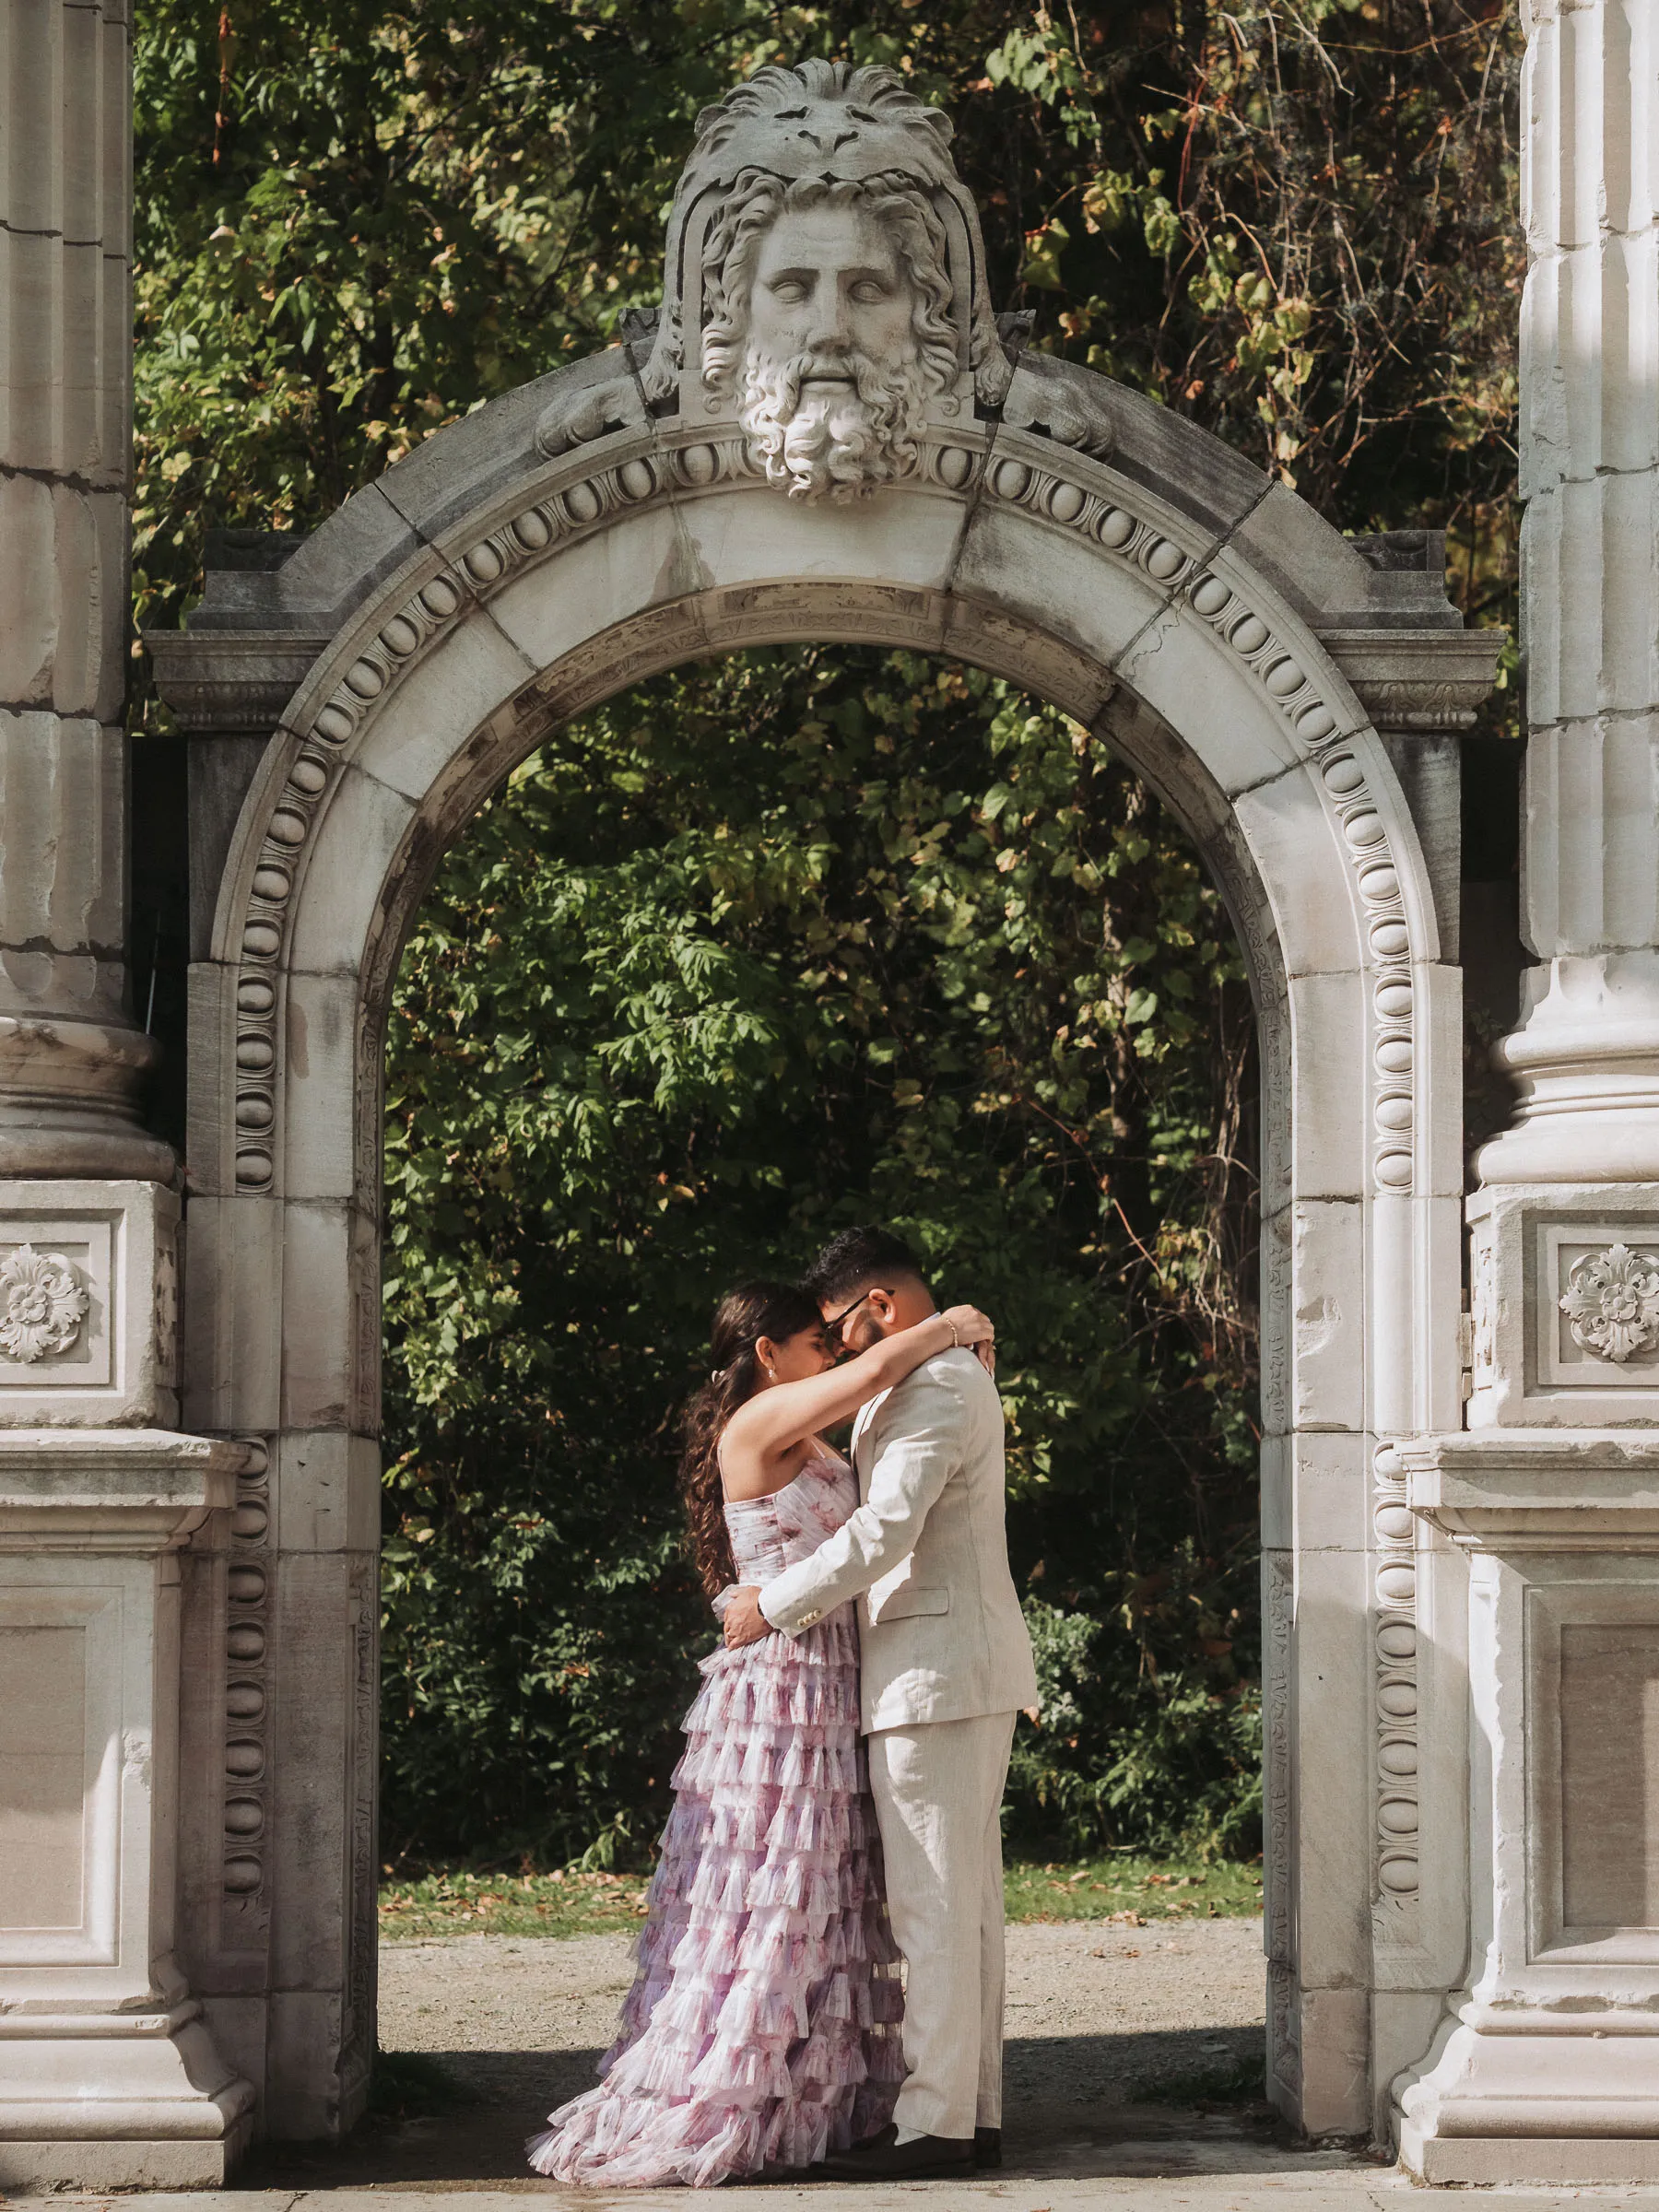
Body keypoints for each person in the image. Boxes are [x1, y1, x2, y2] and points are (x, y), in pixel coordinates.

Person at [526, 1276, 997, 2188]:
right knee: (772, 1892)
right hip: (781, 1686)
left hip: (830, 1676)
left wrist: (959, 1361)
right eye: (816, 1341)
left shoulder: (804, 1425)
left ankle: (806, 2107)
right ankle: (725, 2098)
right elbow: (872, 1377)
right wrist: (942, 1323)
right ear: (770, 1352)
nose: (832, 1352)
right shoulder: (754, 1424)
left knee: (822, 1896)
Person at [722, 1227, 1039, 2183]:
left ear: (882, 1306)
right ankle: (968, 2111)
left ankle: (939, 2125)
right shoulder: (926, 1378)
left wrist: (771, 1606)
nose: (843, 1348)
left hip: (936, 1671)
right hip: (933, 1667)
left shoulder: (938, 1389)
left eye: (841, 1327)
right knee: (960, 1904)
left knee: (934, 1904)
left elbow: (888, 1527)